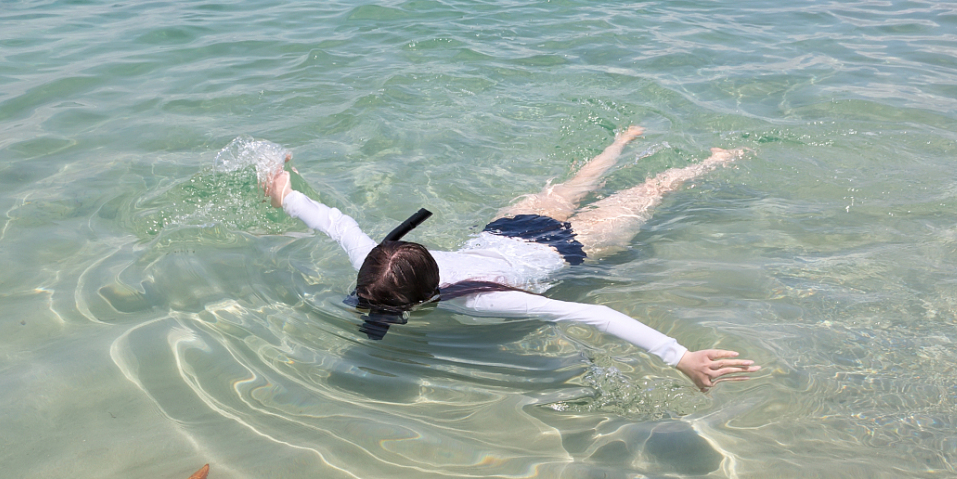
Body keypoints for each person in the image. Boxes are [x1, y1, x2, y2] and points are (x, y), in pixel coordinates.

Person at [261, 127, 760, 392]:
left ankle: (715, 160)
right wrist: (283, 193)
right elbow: (335, 222)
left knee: (652, 190)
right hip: (510, 227)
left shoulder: (480, 303)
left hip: (569, 247)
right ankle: (623, 141)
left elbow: (594, 314)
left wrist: (679, 356)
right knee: (579, 183)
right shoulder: (377, 259)